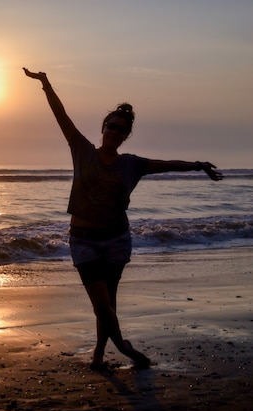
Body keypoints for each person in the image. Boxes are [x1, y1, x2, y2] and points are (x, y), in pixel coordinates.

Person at [23, 68, 223, 369]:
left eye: (121, 130)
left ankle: (99, 355)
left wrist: (198, 165)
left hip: (116, 240)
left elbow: (167, 164)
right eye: (111, 127)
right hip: (83, 241)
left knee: (108, 305)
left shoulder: (131, 165)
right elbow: (61, 115)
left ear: (127, 135)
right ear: (103, 127)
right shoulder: (82, 151)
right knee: (102, 306)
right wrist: (45, 84)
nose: (114, 132)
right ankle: (124, 348)